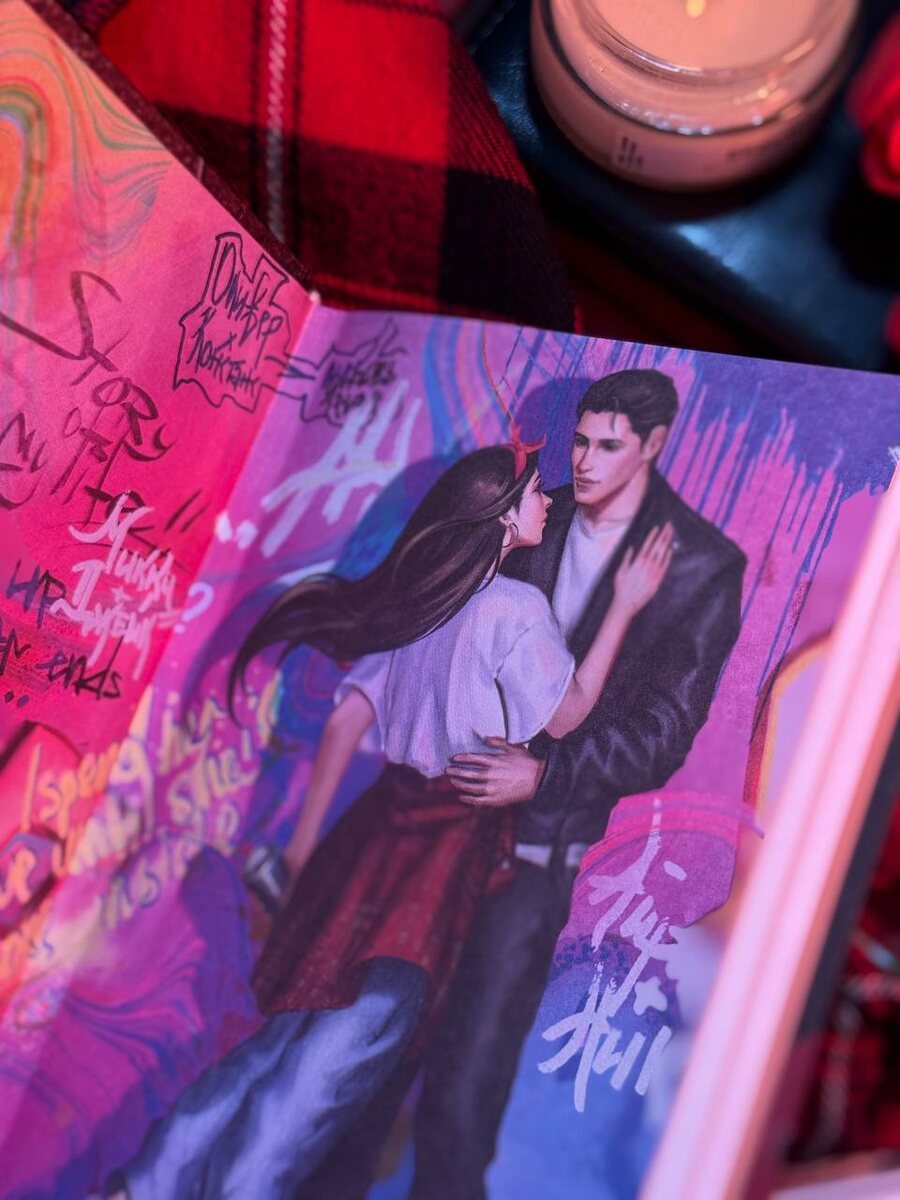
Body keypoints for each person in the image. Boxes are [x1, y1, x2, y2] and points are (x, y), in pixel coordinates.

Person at [102, 439, 672, 1200]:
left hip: (370, 837)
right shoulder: (514, 609)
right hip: (442, 850)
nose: (547, 500)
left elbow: (346, 720)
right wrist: (623, 610)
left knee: (278, 1039)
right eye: (537, 491)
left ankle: (141, 1185)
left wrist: (303, 849)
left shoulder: (424, 598)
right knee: (325, 1072)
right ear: (505, 517)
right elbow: (568, 719)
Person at [298, 368, 747, 1200]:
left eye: (607, 446)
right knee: (358, 1069)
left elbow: (661, 733)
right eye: (579, 441)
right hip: (427, 832)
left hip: (536, 855)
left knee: (462, 1096)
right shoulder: (527, 513)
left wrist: (544, 776)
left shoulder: (699, 566)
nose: (584, 461)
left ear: (652, 446)